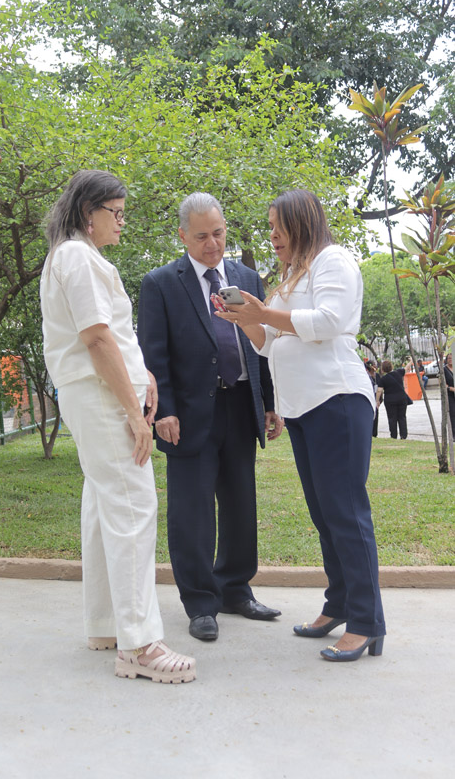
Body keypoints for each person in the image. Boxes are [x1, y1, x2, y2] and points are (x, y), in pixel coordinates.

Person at [216, 188, 386, 663]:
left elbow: (330, 321)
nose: (271, 236)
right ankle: (338, 605)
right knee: (324, 515)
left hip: (337, 400)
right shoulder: (291, 275)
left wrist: (265, 312)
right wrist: (242, 319)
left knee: (347, 514)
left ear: (301, 223)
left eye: (277, 227)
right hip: (305, 409)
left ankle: (368, 623)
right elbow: (268, 342)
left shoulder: (334, 261)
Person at [40, 169, 195, 683]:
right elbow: (97, 339)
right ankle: (140, 645)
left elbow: (113, 337)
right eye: (117, 212)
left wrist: (142, 372)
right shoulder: (77, 258)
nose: (122, 222)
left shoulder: (78, 257)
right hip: (103, 398)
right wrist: (134, 411)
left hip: (100, 392)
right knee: (132, 505)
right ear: (90, 212)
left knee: (104, 504)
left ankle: (106, 622)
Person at [138, 192, 282, 642]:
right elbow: (153, 354)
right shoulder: (161, 283)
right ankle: (201, 602)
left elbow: (259, 346)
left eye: (218, 233)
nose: (213, 244)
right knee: (193, 511)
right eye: (201, 236)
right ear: (183, 235)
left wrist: (269, 402)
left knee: (241, 503)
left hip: (241, 405)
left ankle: (235, 588)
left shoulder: (247, 278)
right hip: (189, 414)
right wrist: (165, 412)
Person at [377, 358, 413, 439]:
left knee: (392, 418)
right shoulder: (399, 372)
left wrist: (377, 401)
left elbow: (379, 390)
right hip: (402, 398)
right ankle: (403, 435)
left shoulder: (383, 379)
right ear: (391, 366)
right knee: (402, 417)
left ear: (383, 369)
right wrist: (410, 361)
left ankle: (393, 436)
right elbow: (406, 368)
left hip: (390, 401)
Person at [365, 360, 381, 437]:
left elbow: (380, 387)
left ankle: (374, 434)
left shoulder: (377, 376)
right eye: (374, 365)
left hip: (376, 398)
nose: (375, 366)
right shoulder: (366, 376)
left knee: (376, 416)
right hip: (370, 397)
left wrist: (379, 400)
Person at [444, 353, 455, 437]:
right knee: (452, 413)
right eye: (449, 358)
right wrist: (451, 388)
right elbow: (442, 383)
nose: (450, 360)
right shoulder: (444, 370)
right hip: (450, 394)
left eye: (452, 358)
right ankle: (453, 435)